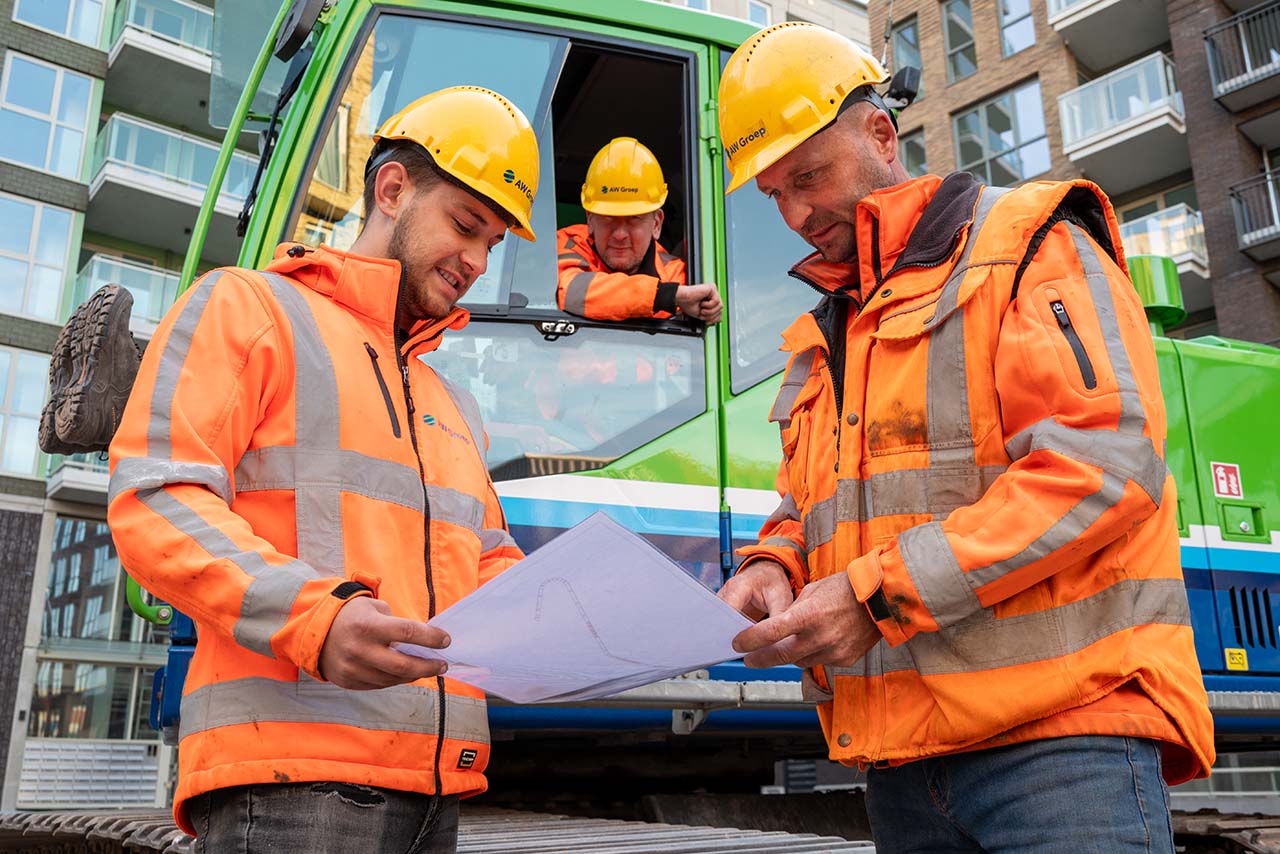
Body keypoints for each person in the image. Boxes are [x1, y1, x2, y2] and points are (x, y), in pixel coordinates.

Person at [714, 22, 1215, 853]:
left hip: (1060, 752)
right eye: (773, 195)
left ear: (881, 136)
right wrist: (776, 564)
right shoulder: (832, 331)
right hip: (902, 766)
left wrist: (875, 596)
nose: (796, 213)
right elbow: (816, 505)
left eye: (808, 176)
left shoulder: (1027, 245)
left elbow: (1102, 465)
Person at [105, 86, 536, 853]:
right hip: (290, 789)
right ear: (392, 189)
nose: (476, 261)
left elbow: (485, 559)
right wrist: (318, 619)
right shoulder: (250, 309)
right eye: (466, 224)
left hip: (435, 791)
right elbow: (155, 499)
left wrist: (561, 612)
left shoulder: (452, 403)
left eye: (493, 244)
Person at [557, 136, 721, 323]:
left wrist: (710, 309)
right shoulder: (567, 244)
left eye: (634, 219)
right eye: (608, 218)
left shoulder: (676, 275)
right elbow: (569, 291)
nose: (620, 234)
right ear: (590, 220)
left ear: (656, 224)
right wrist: (664, 295)